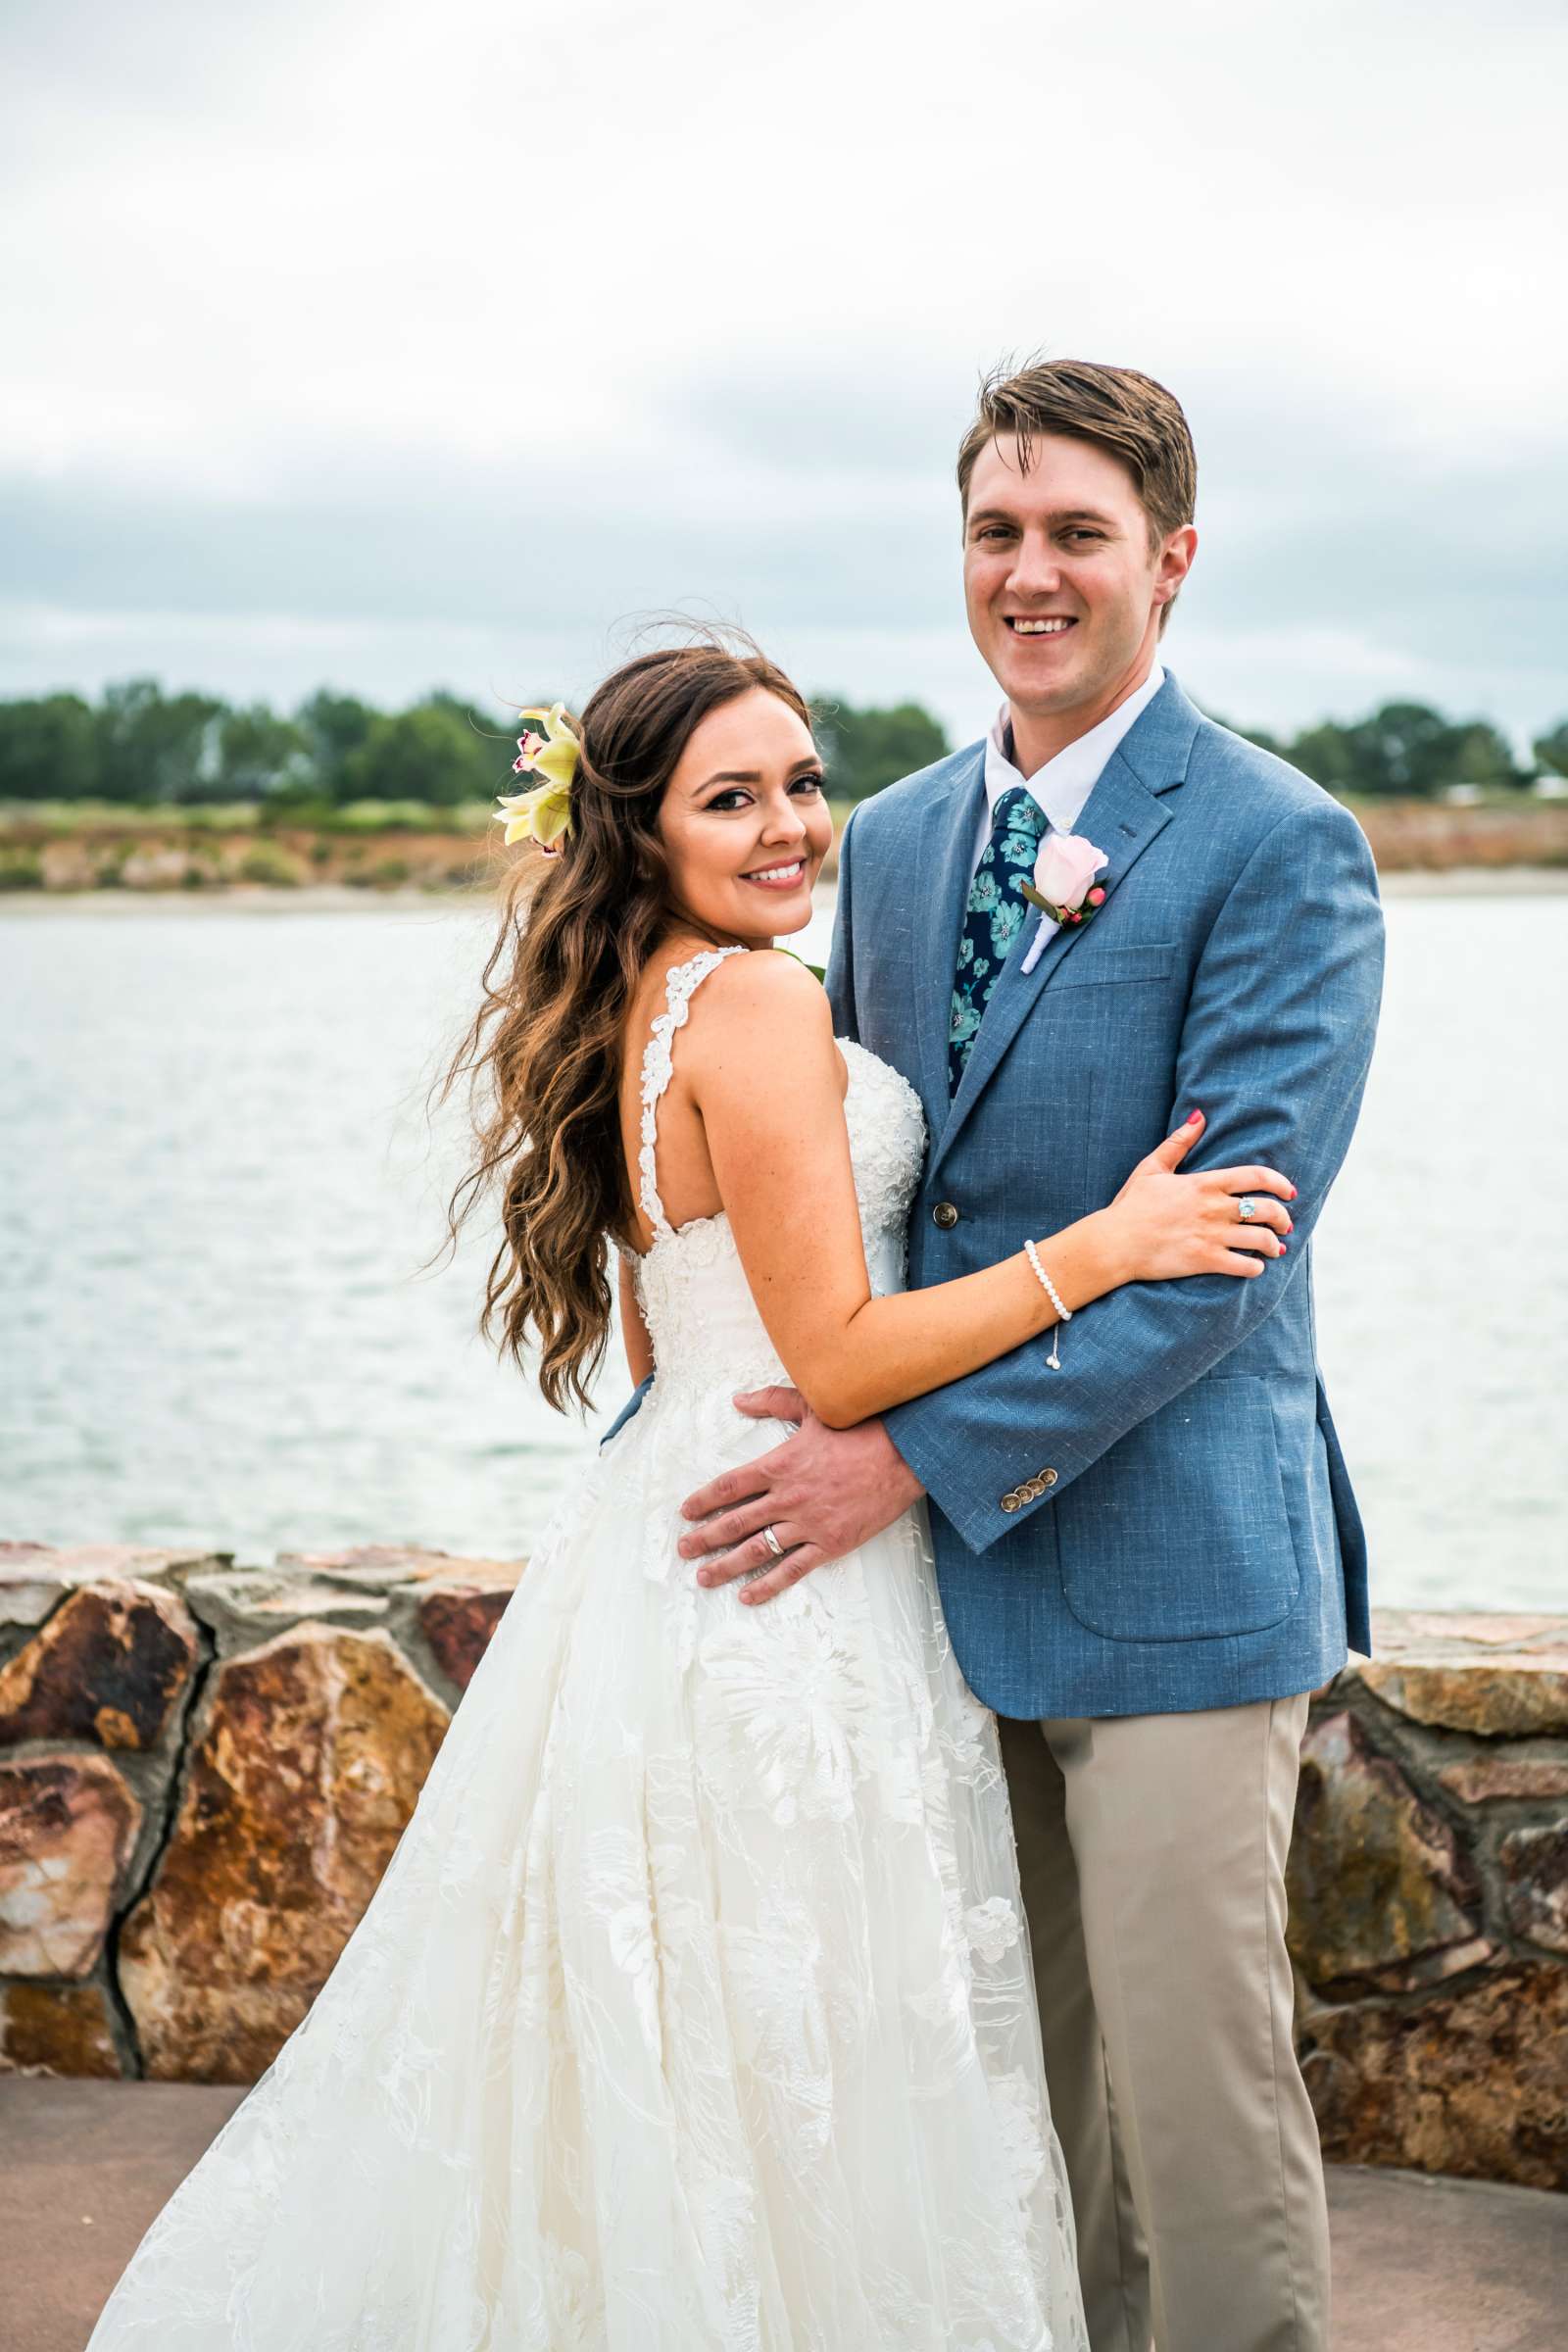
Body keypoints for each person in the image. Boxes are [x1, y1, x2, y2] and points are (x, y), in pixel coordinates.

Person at [84, 632, 1299, 2352]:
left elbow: (664, 1339)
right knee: (814, 2042)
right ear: (637, 829)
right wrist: (1102, 1249)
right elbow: (851, 1352)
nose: (793, 825)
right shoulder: (758, 1001)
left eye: (803, 781)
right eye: (731, 798)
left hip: (679, 1533)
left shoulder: (640, 996)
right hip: (799, 1570)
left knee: (691, 2035)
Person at [667, 365, 1386, 2352]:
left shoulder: (1277, 844)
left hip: (1175, 1583)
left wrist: (897, 1457)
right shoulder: (882, 846)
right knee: (1011, 2109)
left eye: (1075, 532)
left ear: (1167, 557)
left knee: (1193, 2111)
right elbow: (857, 1185)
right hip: (933, 1613)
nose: (1029, 572)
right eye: (996, 531)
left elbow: (1213, 1267)